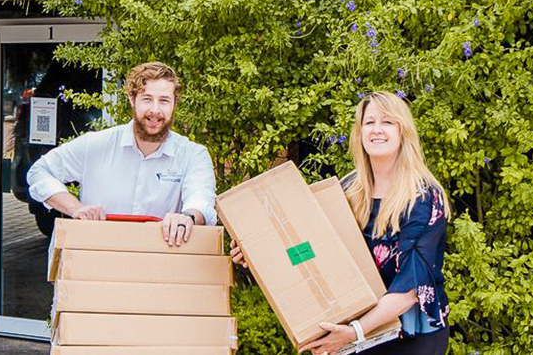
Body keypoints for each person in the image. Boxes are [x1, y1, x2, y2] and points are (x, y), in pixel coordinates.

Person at [232, 91, 450, 355]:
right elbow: (310, 248)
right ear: (359, 132)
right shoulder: (348, 189)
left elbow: (411, 289)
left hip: (410, 339)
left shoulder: (423, 198)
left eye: (387, 122)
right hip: (355, 331)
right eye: (369, 122)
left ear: (403, 131)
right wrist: (259, 255)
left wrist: (355, 332)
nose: (377, 130)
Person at [27, 61, 217, 246]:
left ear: (174, 104)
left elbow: (202, 201)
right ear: (132, 100)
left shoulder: (193, 155)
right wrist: (75, 208)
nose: (155, 110)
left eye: (164, 101)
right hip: (94, 260)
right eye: (147, 99)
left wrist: (187, 217)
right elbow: (39, 172)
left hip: (159, 261)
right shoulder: (96, 144)